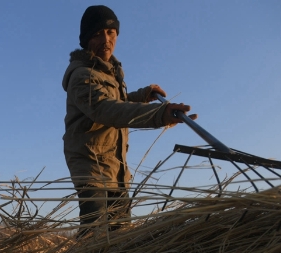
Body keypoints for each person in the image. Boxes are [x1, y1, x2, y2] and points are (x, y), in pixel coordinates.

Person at [63, 5, 196, 236]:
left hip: (117, 169)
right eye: (97, 34)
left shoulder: (110, 73)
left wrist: (143, 95)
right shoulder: (81, 75)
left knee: (120, 238)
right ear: (86, 41)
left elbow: (119, 99)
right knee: (94, 238)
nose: (106, 39)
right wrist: (158, 115)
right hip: (91, 167)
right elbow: (105, 109)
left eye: (111, 32)